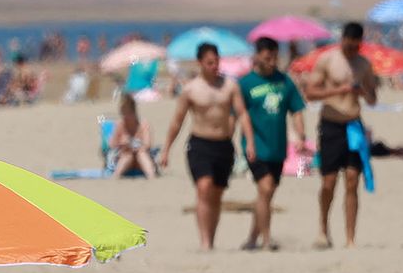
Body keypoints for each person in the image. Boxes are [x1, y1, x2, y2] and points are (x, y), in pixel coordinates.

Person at [159, 42, 247, 250]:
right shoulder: (190, 89)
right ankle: (204, 242)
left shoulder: (230, 86)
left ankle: (211, 238)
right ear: (200, 63)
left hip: (224, 145)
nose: (214, 66)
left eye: (216, 62)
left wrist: (249, 142)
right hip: (200, 144)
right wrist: (166, 149)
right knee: (203, 188)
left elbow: (242, 114)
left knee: (216, 194)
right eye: (209, 62)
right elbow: (177, 121)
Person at [303, 21, 377, 248]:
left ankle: (350, 238)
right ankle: (323, 229)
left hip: (353, 125)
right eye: (349, 46)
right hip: (331, 125)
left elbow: (373, 100)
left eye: (356, 47)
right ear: (342, 40)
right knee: (329, 181)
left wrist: (362, 91)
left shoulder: (364, 64)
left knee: (353, 181)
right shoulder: (328, 60)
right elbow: (310, 93)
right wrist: (339, 90)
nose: (352, 51)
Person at [238, 37, 309, 250]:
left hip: (278, 148)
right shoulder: (245, 83)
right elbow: (239, 115)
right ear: (257, 56)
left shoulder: (285, 81)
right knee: (266, 188)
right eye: (268, 57)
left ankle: (251, 238)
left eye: (275, 57)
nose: (272, 61)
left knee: (265, 194)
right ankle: (267, 240)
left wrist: (301, 134)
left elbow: (296, 109)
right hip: (255, 146)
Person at [109, 94, 157, 178]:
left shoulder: (143, 124)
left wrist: (137, 147)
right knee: (127, 155)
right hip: (124, 157)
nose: (125, 116)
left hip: (140, 159)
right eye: (123, 113)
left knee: (141, 153)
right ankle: (116, 176)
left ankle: (151, 176)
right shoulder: (120, 124)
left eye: (127, 113)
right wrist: (122, 143)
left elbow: (148, 144)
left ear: (133, 112)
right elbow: (112, 144)